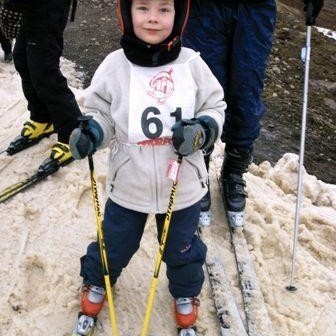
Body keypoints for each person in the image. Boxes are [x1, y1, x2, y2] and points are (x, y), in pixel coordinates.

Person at [69, 0, 225, 334]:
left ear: (179, 16)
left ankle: (185, 292)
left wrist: (203, 130)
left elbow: (215, 105)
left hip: (180, 185)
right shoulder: (114, 65)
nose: (153, 17)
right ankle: (98, 280)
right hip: (130, 183)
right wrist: (93, 132)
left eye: (164, 9)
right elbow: (102, 111)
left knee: (181, 247)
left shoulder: (192, 64)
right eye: (142, 8)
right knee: (115, 240)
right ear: (125, 13)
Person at [183, 0, 324, 228]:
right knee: (202, 87)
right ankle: (199, 169)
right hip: (204, 8)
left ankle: (234, 172)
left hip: (255, 8)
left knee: (246, 91)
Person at [0, 0, 81, 169]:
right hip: (30, 7)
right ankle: (42, 117)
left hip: (49, 7)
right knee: (22, 58)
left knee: (44, 70)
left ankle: (72, 131)